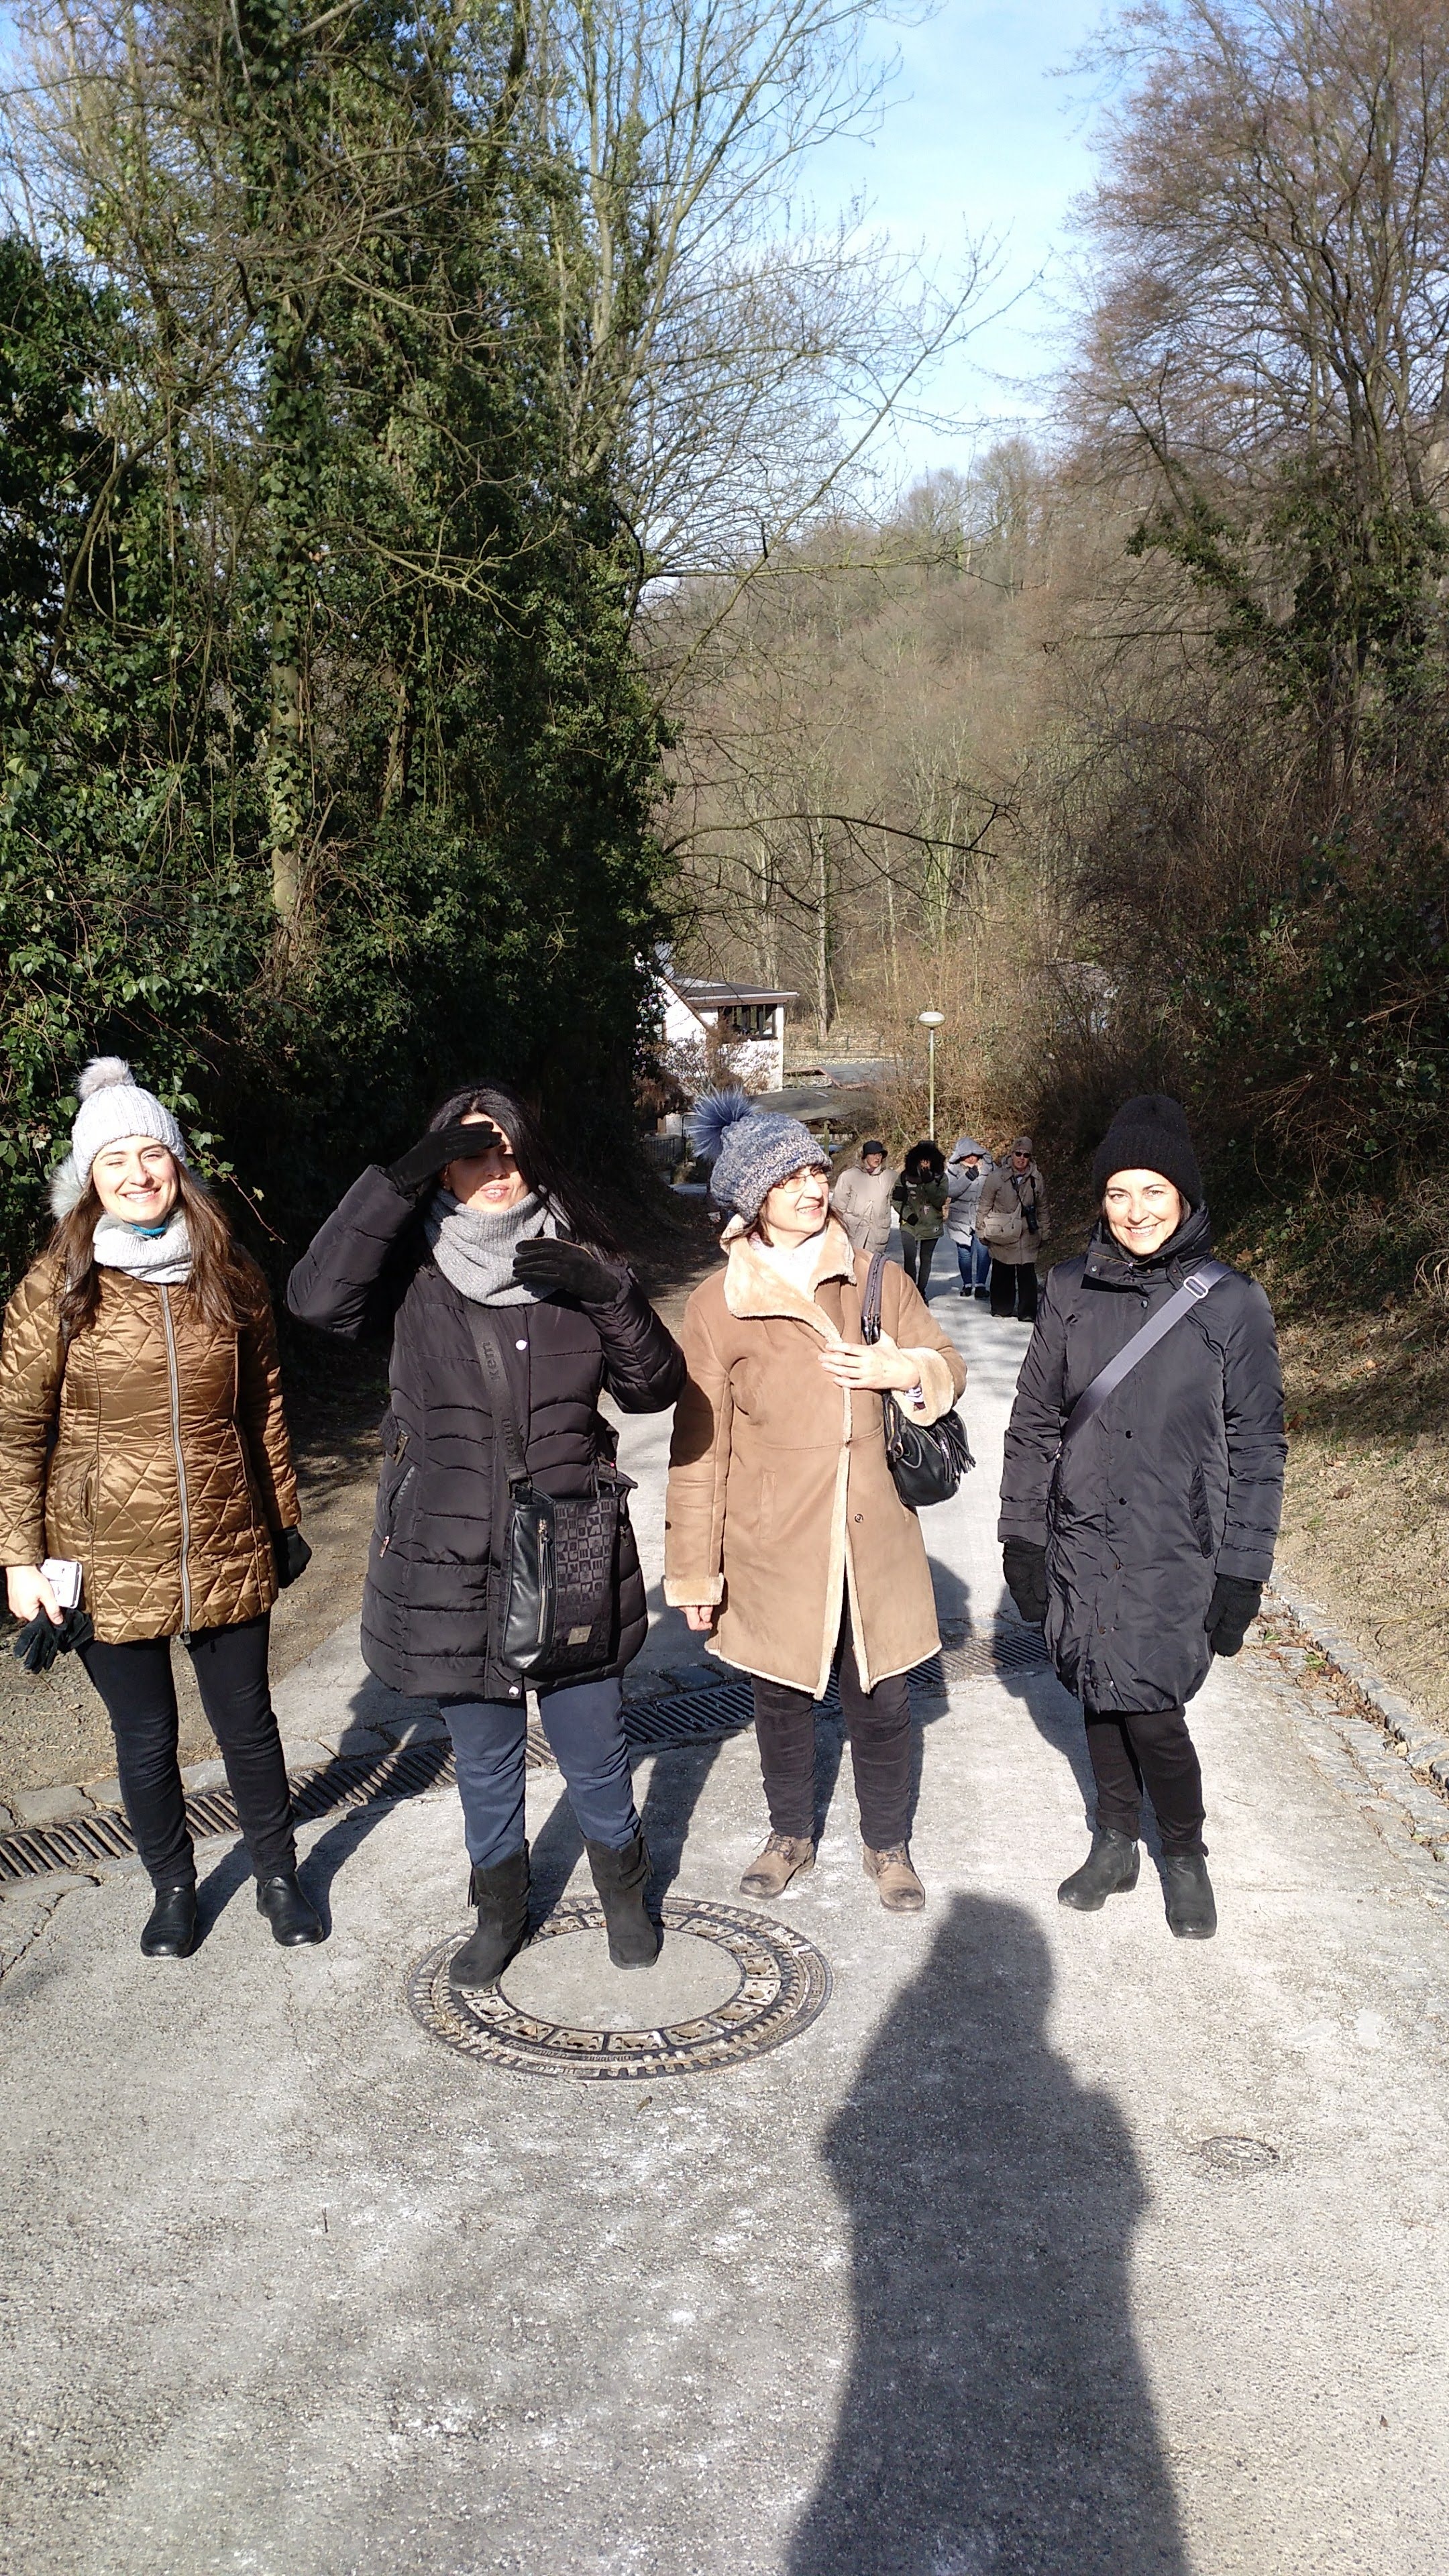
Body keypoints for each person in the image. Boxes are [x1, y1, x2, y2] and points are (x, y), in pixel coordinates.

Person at [287, 1084, 684, 1987]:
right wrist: (396, 1181)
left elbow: (655, 1387)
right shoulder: (409, 1271)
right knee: (485, 1756)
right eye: (471, 1154)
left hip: (572, 1544)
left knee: (594, 1745)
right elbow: (314, 1302)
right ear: (443, 1170)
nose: (496, 1170)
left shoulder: (578, 1261)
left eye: (509, 1151)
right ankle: (500, 1908)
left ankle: (624, 1893)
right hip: (450, 1554)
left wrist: (611, 1292)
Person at [0, 1058, 321, 1959]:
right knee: (144, 1737)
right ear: (88, 1179)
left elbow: (263, 1405)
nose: (137, 1174)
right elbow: (15, 1430)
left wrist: (282, 1518)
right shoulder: (57, 1285)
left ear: (177, 1161)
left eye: (151, 1153)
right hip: (101, 1550)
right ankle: (173, 1890)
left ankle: (279, 1877)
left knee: (247, 1725)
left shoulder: (229, 1271)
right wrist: (18, 1559)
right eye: (115, 1160)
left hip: (223, 1530)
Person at [665, 1095, 967, 1913]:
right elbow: (700, 1451)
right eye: (787, 1177)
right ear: (749, 1196)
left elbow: (948, 1362)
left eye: (812, 1170)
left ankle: (887, 1844)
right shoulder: (716, 1305)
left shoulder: (876, 1278)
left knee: (884, 1696)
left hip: (873, 1532)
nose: (810, 1187)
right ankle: (789, 1835)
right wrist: (694, 1573)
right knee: (780, 1694)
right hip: (772, 1540)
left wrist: (902, 1372)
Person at [998, 1094, 1285, 1938]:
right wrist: (1023, 1535)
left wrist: (1243, 1569)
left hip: (1176, 1546)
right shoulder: (1067, 1289)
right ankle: (1116, 1841)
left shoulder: (1232, 1303)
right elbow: (1035, 1422)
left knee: (1155, 1711)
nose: (1135, 1211)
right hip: (1083, 1537)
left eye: (1153, 1191)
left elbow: (1259, 1446)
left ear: (1184, 1196)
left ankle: (1185, 1853)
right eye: (1118, 1192)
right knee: (1095, 1691)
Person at [976, 1135, 1049, 1322]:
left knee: (1027, 1273)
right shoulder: (996, 1178)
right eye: (1018, 1154)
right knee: (1002, 1270)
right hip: (1003, 1232)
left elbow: (1042, 1207)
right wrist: (981, 1229)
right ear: (1012, 1154)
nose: (1021, 1158)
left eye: (1026, 1155)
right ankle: (1002, 1307)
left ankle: (1027, 1312)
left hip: (1027, 1233)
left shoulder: (1036, 1179)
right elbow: (985, 1205)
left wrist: (1044, 1230)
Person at [892, 1141, 949, 1294]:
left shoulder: (941, 1178)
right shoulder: (905, 1177)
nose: (925, 1163)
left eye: (928, 1160)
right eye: (922, 1160)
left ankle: (921, 1290)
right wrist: (907, 1215)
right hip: (909, 1225)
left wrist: (929, 1182)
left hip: (931, 1225)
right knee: (910, 1258)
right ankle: (911, 1292)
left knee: (926, 1258)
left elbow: (939, 1201)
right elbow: (896, 1199)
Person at [945, 1136, 995, 1299]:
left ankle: (980, 1285)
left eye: (974, 1154)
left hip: (983, 1214)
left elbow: (998, 1184)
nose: (972, 1158)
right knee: (964, 1252)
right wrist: (967, 1178)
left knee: (984, 1250)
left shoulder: (988, 1167)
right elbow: (950, 1191)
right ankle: (967, 1284)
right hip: (960, 1216)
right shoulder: (953, 1170)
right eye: (967, 1155)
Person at [830, 1139, 896, 1258]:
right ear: (865, 1156)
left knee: (873, 1266)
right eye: (873, 1154)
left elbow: (897, 1199)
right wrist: (837, 1233)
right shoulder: (849, 1176)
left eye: (880, 1155)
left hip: (877, 1234)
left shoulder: (890, 1177)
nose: (877, 1158)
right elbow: (838, 1208)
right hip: (853, 1233)